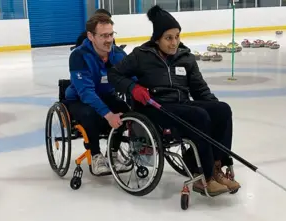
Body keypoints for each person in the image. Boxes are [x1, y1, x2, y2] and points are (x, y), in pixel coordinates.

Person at [107, 5, 241, 196]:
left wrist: (215, 109)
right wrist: (133, 88)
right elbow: (114, 74)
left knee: (223, 109)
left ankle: (218, 166)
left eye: (177, 36)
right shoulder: (141, 56)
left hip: (181, 105)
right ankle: (206, 176)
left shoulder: (185, 57)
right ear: (157, 39)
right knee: (199, 115)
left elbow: (200, 90)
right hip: (155, 108)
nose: (174, 43)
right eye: (169, 38)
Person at [64, 13, 130, 175]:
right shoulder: (79, 56)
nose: (109, 40)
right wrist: (108, 115)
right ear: (91, 36)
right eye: (103, 36)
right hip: (79, 99)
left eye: (111, 35)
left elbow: (133, 78)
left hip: (107, 95)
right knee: (90, 114)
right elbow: (86, 92)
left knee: (126, 111)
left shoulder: (118, 55)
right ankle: (95, 155)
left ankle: (113, 153)